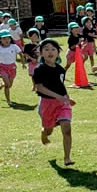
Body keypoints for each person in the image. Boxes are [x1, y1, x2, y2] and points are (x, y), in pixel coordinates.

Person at [32, 38, 75, 166]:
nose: (50, 52)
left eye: (53, 49)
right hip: (47, 104)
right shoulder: (39, 69)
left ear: (58, 52)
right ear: (40, 53)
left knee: (66, 127)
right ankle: (44, 134)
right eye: (46, 49)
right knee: (49, 129)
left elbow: (60, 85)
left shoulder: (61, 70)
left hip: (62, 104)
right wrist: (58, 96)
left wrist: (67, 97)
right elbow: (39, 87)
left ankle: (67, 158)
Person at [0, 29, 21, 105]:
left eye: (8, 38)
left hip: (12, 67)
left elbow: (21, 54)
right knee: (7, 85)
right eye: (4, 38)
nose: (6, 40)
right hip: (3, 67)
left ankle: (3, 84)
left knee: (9, 85)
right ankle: (8, 101)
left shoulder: (14, 46)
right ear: (0, 39)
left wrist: (23, 63)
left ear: (10, 38)